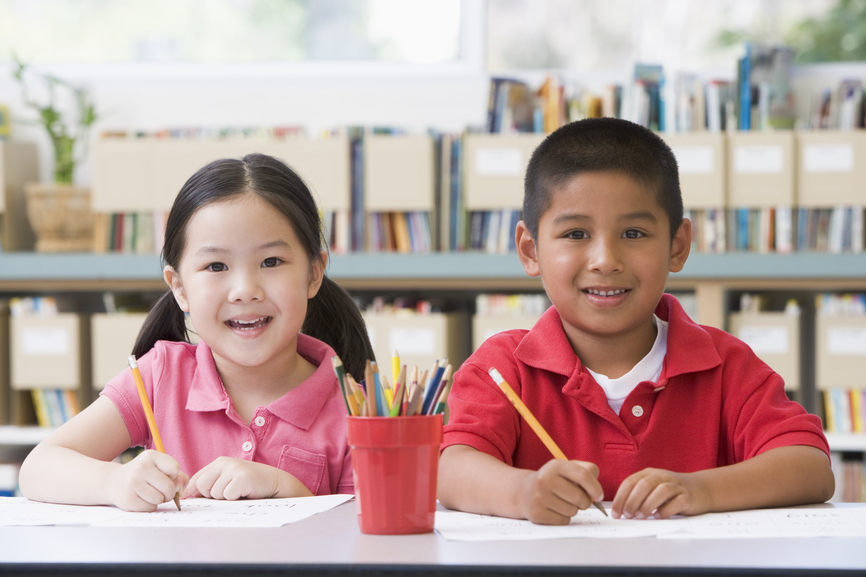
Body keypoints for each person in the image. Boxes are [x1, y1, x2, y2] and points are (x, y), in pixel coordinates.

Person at [437, 117, 835, 525]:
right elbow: (451, 470)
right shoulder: (503, 366)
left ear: (677, 246)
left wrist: (701, 489)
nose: (606, 261)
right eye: (575, 234)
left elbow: (810, 467)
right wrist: (522, 493)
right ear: (530, 250)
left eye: (633, 233)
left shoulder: (725, 364)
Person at [19, 153, 374, 511]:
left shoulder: (355, 410)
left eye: (271, 262)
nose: (244, 290)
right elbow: (38, 467)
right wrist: (115, 481)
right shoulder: (161, 376)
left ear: (314, 273)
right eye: (216, 265)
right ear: (180, 288)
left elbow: (360, 535)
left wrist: (289, 491)